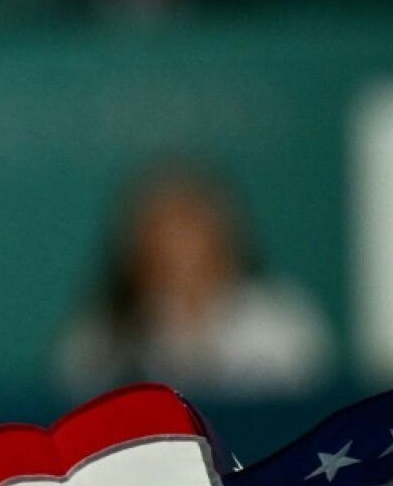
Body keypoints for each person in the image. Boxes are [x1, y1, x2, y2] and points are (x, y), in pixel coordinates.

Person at [56, 161, 333, 398]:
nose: (178, 245)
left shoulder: (283, 322)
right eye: (161, 227)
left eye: (189, 225)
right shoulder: (102, 338)